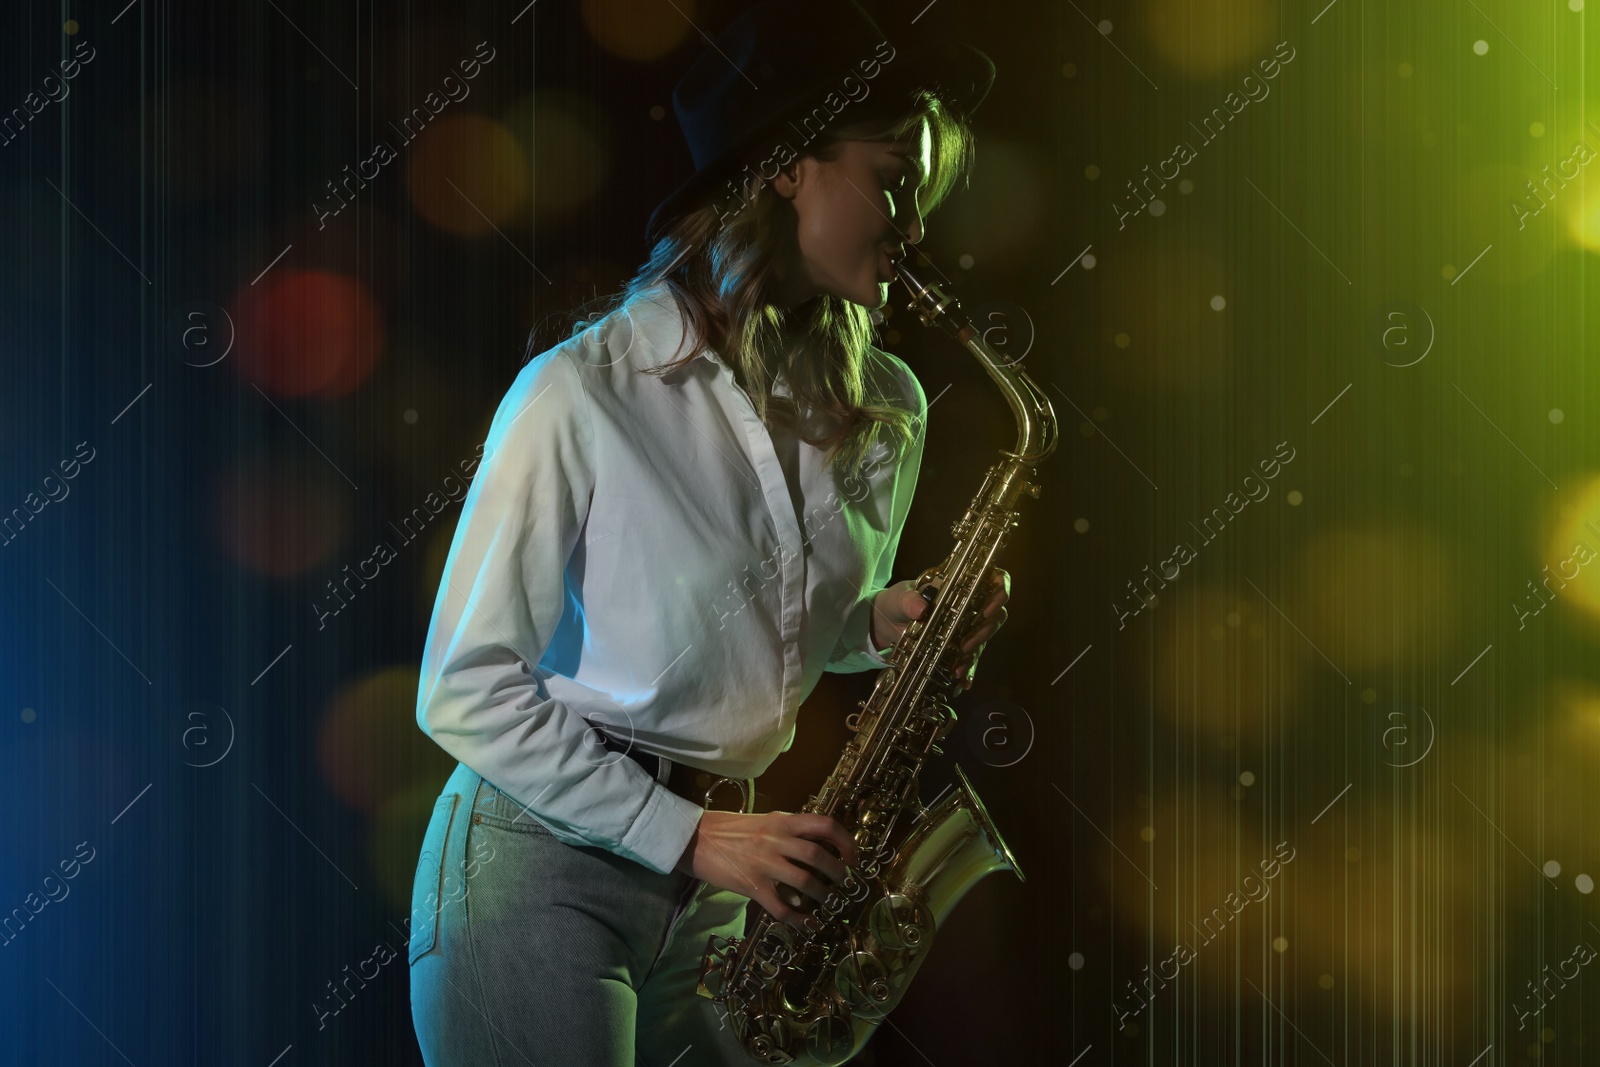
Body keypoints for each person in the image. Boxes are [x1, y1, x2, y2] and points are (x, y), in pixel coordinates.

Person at [407, 2, 1008, 1064]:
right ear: (784, 167)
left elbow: (795, 631)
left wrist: (883, 621)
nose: (914, 226)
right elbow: (464, 686)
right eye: (893, 181)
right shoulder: (580, 391)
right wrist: (690, 835)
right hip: (539, 863)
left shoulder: (888, 405)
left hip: (723, 880)